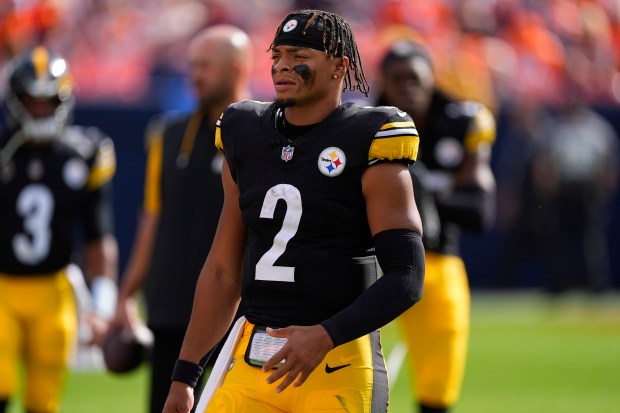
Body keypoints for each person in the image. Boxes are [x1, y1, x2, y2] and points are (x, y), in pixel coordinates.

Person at [163, 9, 426, 413]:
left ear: (340, 66)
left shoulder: (370, 138)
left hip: (336, 362)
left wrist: (325, 334)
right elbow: (222, 270)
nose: (283, 65)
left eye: (300, 55)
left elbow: (407, 275)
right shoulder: (244, 131)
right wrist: (184, 375)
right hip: (253, 358)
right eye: (278, 55)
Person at [111, 24, 253, 413]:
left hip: (237, 310)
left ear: (238, 68)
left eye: (205, 66)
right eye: (192, 65)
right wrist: (126, 295)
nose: (195, 75)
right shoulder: (169, 133)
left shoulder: (263, 132)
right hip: (171, 304)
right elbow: (152, 217)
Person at [376, 40, 496, 413]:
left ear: (432, 79)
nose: (405, 87)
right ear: (383, 82)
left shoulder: (463, 121)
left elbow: (480, 213)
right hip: (372, 261)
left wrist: (424, 199)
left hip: (436, 260)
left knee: (438, 387)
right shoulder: (363, 122)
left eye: (414, 78)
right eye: (396, 79)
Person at [0, 46, 118, 413]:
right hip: (1, 287)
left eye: (47, 101)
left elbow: (98, 236)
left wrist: (102, 305)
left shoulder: (83, 153)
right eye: (30, 101)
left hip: (54, 291)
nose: (39, 110)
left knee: (43, 400)